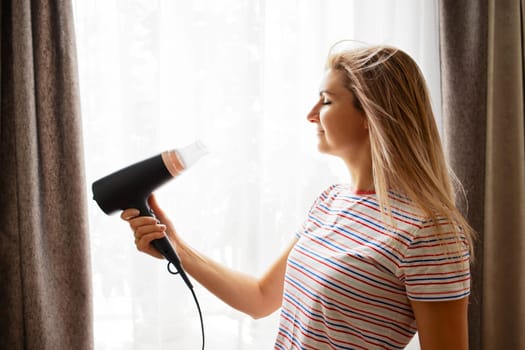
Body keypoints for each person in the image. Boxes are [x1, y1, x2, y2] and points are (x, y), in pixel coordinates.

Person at [121, 44, 474, 350]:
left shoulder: (430, 233)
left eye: (326, 100)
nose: (310, 115)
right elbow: (259, 298)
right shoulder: (330, 202)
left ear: (372, 114)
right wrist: (177, 247)